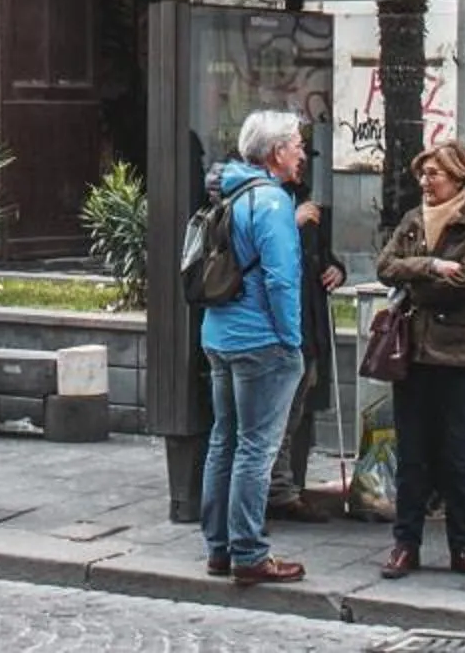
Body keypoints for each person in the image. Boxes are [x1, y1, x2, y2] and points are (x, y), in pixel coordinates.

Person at [375, 137, 465, 581]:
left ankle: (462, 546)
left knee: (454, 456)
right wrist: (430, 266)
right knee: (411, 454)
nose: (426, 183)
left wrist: (422, 280)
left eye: (435, 174)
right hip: (413, 352)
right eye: (423, 174)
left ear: (459, 177)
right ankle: (404, 544)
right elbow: (384, 266)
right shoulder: (413, 220)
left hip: (460, 352)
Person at [198, 109, 309, 586]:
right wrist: (291, 340)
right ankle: (249, 552)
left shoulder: (232, 192)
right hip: (262, 341)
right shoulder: (272, 201)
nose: (302, 153)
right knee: (255, 448)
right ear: (276, 153)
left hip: (219, 333)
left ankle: (219, 548)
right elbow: (284, 279)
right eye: (298, 145)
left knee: (224, 441)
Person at [265, 173, 344, 518]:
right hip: (275, 329)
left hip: (306, 326)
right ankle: (265, 498)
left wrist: (335, 269)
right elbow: (256, 256)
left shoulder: (302, 199)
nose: (302, 157)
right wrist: (291, 224)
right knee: (269, 420)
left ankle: (281, 489)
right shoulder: (260, 200)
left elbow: (319, 258)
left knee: (292, 415)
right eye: (295, 148)